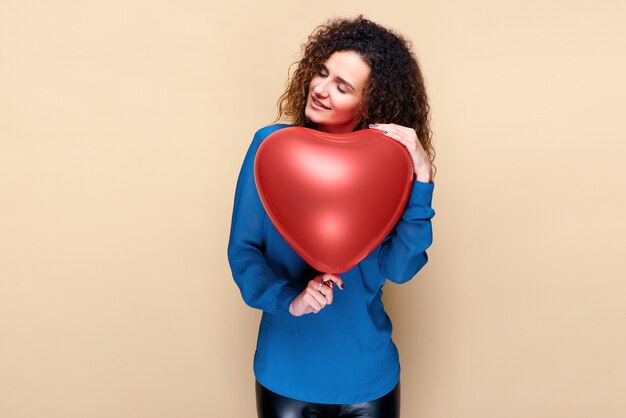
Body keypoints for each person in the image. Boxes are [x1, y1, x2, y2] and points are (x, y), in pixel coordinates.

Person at [227, 14, 436, 418]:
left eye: (342, 87)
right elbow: (244, 252)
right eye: (321, 73)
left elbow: (401, 269)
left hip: (370, 380)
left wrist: (422, 177)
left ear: (371, 104)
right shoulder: (270, 149)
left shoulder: (391, 169)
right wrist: (290, 299)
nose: (320, 89)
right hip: (286, 377)